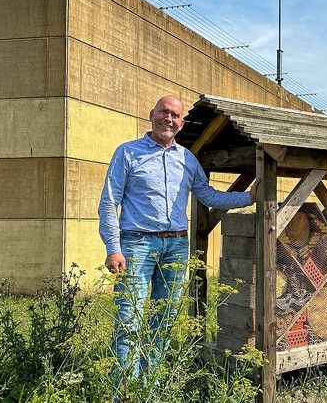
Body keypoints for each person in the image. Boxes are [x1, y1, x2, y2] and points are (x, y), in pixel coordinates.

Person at [98, 94, 257, 383]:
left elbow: (207, 195)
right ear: (151, 113)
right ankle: (123, 391)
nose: (167, 119)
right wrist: (113, 248)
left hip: (176, 246)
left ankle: (151, 385)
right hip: (137, 244)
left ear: (181, 124)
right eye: (163, 112)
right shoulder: (128, 152)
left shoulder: (187, 158)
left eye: (174, 115)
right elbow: (109, 202)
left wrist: (249, 197)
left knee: (165, 320)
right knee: (129, 319)